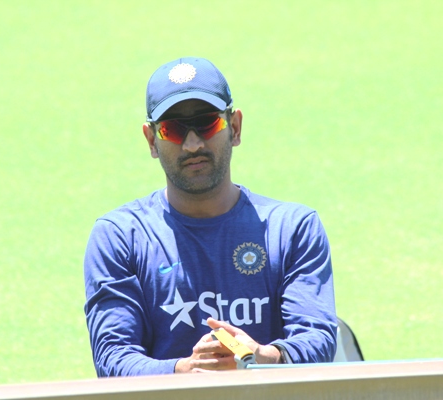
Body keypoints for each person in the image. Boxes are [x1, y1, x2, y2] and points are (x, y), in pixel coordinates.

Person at [83, 57, 337, 377]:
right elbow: (112, 357)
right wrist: (186, 371)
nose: (192, 144)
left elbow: (319, 340)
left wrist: (259, 356)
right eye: (173, 129)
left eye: (207, 123)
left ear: (234, 127)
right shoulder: (119, 236)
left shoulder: (292, 229)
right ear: (151, 140)